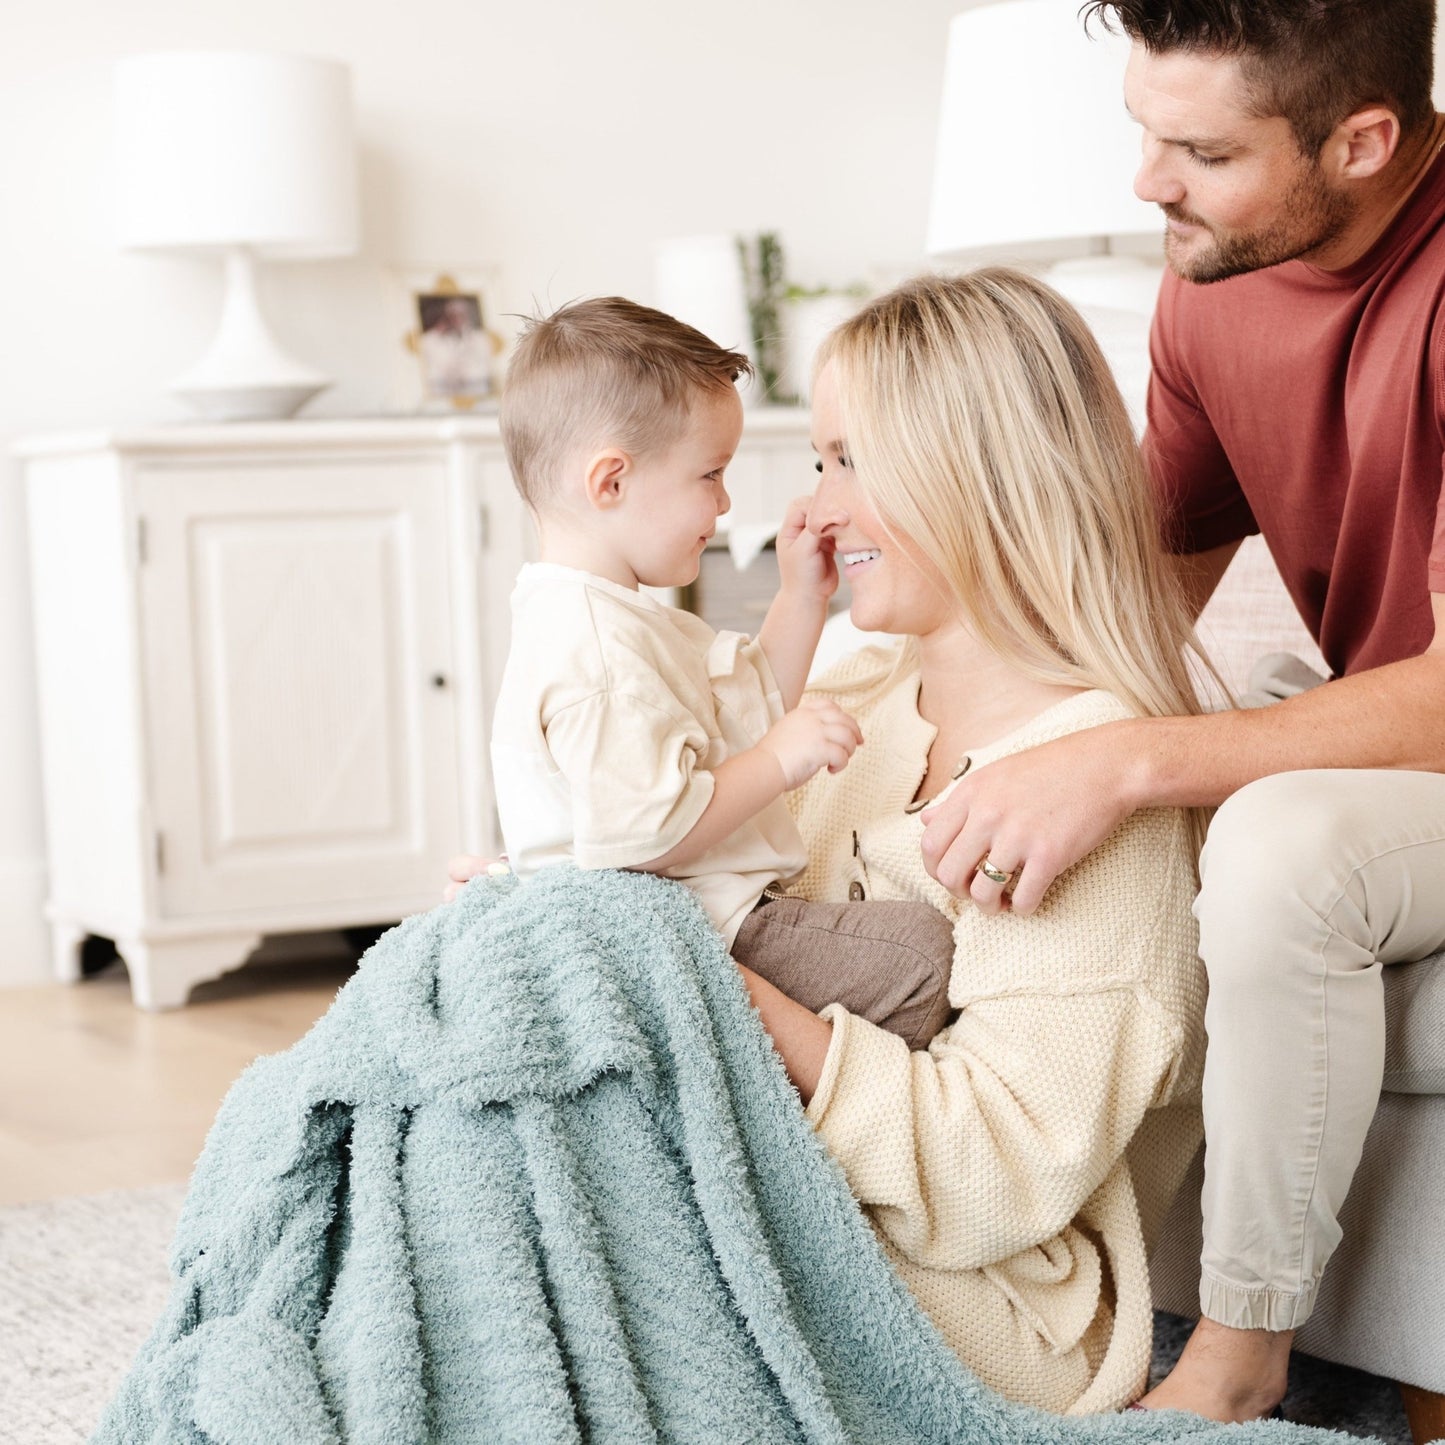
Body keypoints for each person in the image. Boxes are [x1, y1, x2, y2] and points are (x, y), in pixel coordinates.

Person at [457, 269, 1212, 1414]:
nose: (810, 511)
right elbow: (664, 849)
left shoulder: (1094, 788)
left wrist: (677, 976)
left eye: (849, 461)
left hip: (970, 1297)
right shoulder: (846, 693)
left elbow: (990, 1174)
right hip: (760, 1179)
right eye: (817, 462)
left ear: (981, 472)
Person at [917, 0, 1445, 1424]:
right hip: (1382, 716)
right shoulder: (1208, 284)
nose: (1148, 183)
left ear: (1363, 141)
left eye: (1198, 151)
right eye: (1143, 135)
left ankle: (1236, 1361)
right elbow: (1129, 601)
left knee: (1283, 849)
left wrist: (1133, 759)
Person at [490, 297, 958, 1051]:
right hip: (690, 931)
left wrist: (801, 597)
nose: (725, 501)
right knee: (918, 957)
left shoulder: (616, 620)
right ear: (610, 481)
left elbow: (749, 704)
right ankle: (805, 1119)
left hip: (710, 912)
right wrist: (777, 763)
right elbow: (649, 833)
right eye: (708, 475)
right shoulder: (598, 650)